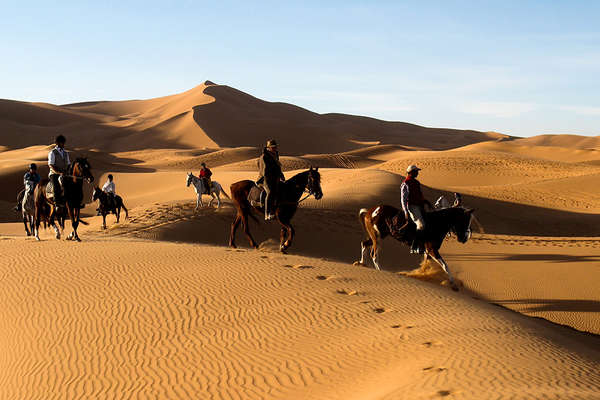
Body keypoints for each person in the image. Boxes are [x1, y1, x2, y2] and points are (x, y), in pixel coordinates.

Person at [399, 164, 433, 254]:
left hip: (420, 206)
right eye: (416, 171)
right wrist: (406, 212)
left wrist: (426, 202)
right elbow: (403, 199)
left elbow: (419, 195)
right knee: (421, 225)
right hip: (412, 207)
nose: (417, 173)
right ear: (411, 173)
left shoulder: (416, 182)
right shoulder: (405, 183)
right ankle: (414, 247)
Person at [257, 139, 285, 220]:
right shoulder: (264, 157)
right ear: (268, 148)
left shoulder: (275, 155)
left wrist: (281, 175)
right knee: (270, 192)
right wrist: (273, 178)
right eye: (272, 147)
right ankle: (267, 213)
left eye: (275, 147)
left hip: (275, 178)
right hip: (265, 179)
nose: (274, 148)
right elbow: (264, 171)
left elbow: (277, 167)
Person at [48, 134, 70, 207]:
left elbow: (68, 164)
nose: (63, 144)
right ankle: (56, 201)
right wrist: (59, 172)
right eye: (62, 142)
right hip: (54, 173)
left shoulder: (66, 153)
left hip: (64, 173)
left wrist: (67, 171)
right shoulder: (52, 152)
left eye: (63, 142)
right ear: (58, 143)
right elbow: (51, 164)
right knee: (56, 185)